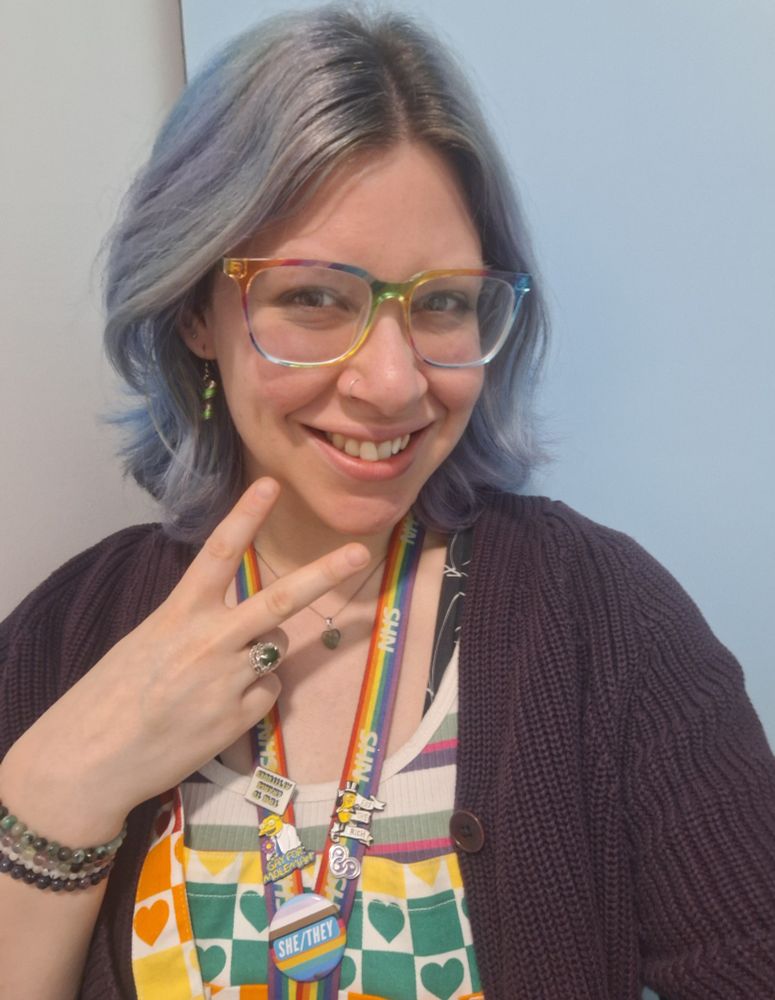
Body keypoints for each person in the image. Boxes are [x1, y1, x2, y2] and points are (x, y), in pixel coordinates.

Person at [1, 6, 773, 1000]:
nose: (393, 383)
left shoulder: (605, 621)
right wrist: (56, 793)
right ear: (194, 310)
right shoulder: (67, 641)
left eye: (442, 302)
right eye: (314, 298)